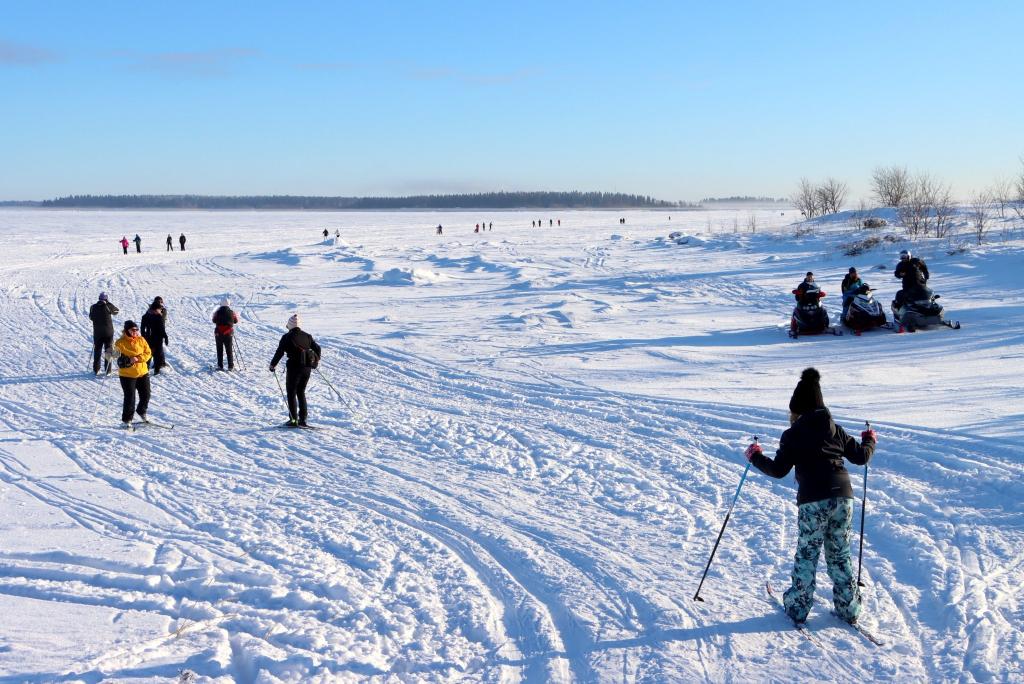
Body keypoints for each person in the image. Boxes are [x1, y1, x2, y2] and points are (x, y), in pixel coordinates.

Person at [744, 367, 876, 626]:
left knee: (808, 552)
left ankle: (798, 606)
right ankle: (849, 608)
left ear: (798, 409)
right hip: (843, 496)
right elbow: (861, 457)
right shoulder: (835, 429)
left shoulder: (793, 434)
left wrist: (754, 456)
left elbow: (779, 470)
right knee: (839, 552)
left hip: (814, 499)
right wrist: (870, 440)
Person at [269, 314, 322, 427]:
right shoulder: (307, 336)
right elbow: (317, 348)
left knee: (291, 393)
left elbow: (280, 352)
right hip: (307, 368)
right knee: (301, 392)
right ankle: (303, 420)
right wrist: (316, 361)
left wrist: (273, 365)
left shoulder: (286, 337)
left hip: (294, 368)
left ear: (290, 325)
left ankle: (293, 420)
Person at [114, 320, 153, 428]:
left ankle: (141, 411)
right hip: (127, 375)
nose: (135, 331)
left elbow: (148, 353)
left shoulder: (141, 340)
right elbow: (116, 356)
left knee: (146, 395)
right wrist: (113, 355)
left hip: (142, 372)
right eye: (133, 330)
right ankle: (127, 420)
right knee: (130, 398)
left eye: (136, 329)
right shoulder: (120, 342)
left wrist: (138, 358)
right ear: (127, 330)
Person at [89, 292, 119, 375]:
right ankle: (108, 370)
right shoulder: (108, 306)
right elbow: (116, 311)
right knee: (108, 350)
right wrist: (108, 303)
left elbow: (91, 317)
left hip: (97, 332)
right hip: (108, 332)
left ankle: (96, 369)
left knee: (97, 350)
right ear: (106, 299)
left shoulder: (93, 307)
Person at [141, 299, 169, 375]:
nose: (160, 311)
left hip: (158, 338)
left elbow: (162, 328)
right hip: (149, 338)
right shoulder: (145, 317)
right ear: (154, 309)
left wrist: (165, 336)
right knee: (148, 355)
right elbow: (142, 329)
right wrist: (143, 338)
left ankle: (156, 370)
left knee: (158, 355)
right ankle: (145, 371)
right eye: (159, 310)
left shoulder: (159, 316)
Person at [211, 298, 239, 370]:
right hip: (228, 333)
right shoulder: (232, 312)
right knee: (229, 350)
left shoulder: (217, 312)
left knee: (219, 349)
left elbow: (214, 320)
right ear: (228, 304)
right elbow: (236, 321)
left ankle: (220, 366)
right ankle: (230, 366)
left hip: (218, 333)